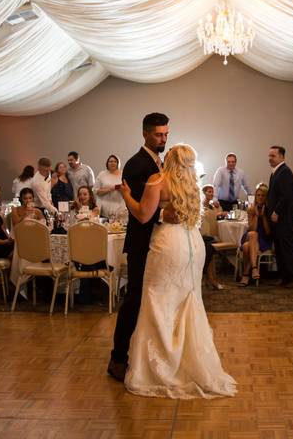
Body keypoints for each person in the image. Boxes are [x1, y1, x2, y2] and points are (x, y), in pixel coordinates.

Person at [120, 142, 237, 398]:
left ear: (169, 159)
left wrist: (126, 195)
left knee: (160, 300)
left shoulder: (158, 179)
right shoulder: (192, 184)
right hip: (192, 244)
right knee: (187, 300)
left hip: (169, 245)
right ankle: (190, 363)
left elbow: (142, 215)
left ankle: (164, 366)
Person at [108, 113, 169, 383]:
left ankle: (147, 355)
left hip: (157, 243)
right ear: (145, 133)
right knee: (133, 300)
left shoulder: (159, 161)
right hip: (141, 242)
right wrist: (165, 215)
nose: (163, 139)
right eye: (158, 134)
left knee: (152, 301)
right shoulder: (135, 165)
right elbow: (142, 212)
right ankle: (117, 358)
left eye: (166, 134)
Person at [267, 145, 293, 288]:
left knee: (287, 248)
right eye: (269, 156)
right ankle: (285, 277)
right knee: (280, 249)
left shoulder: (285, 172)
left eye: (273, 156)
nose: (270, 158)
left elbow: (286, 196)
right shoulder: (276, 172)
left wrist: (277, 211)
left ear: (282, 157)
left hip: (284, 218)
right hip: (278, 219)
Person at [238, 184, 272, 286]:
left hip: (264, 238)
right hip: (250, 235)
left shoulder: (269, 210)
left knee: (246, 246)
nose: (260, 197)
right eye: (258, 195)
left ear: (266, 197)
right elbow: (252, 228)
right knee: (253, 234)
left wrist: (264, 216)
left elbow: (268, 232)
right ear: (255, 197)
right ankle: (254, 268)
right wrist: (257, 216)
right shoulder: (251, 209)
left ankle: (245, 275)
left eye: (262, 195)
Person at [94, 155, 124, 219]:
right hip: (104, 209)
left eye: (115, 161)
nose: (112, 163)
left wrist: (121, 189)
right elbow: (96, 191)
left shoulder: (123, 174)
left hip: (120, 208)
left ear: (118, 163)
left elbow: (128, 192)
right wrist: (110, 189)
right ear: (107, 163)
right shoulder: (102, 174)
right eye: (110, 161)